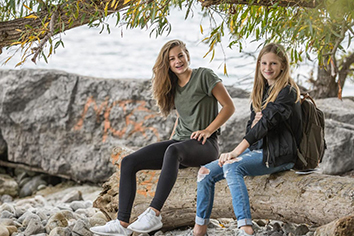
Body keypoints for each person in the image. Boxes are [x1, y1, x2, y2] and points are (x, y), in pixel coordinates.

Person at [90, 39, 235, 236]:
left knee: (173, 150)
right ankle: (121, 223)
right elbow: (181, 117)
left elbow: (229, 107)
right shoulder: (173, 85)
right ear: (167, 64)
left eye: (180, 56)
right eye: (172, 59)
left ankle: (154, 213)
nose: (178, 61)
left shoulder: (204, 76)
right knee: (129, 161)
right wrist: (170, 140)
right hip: (180, 145)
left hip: (205, 145)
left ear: (187, 56)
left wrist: (208, 130)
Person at [189, 43, 302, 236]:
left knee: (232, 166)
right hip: (258, 149)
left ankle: (245, 228)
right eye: (264, 63)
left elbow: (265, 124)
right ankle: (199, 229)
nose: (268, 68)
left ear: (283, 65)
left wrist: (236, 151)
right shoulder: (262, 90)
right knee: (205, 172)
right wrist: (256, 122)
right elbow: (253, 127)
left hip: (279, 154)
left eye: (273, 63)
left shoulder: (287, 92)